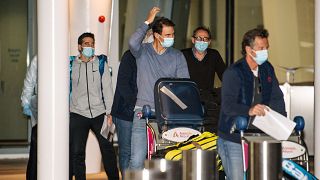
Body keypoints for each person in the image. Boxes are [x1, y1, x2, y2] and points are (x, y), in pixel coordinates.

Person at [217, 28, 286, 180]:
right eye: (261, 48)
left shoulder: (267, 69)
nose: (265, 51)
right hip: (233, 137)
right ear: (249, 50)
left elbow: (276, 98)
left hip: (261, 135)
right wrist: (249, 110)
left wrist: (281, 123)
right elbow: (228, 105)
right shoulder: (234, 72)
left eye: (266, 48)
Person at [128, 7, 190, 170]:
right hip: (143, 111)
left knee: (165, 160)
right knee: (137, 159)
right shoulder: (142, 52)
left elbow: (184, 85)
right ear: (156, 35)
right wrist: (147, 21)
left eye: (173, 34)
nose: (172, 38)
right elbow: (132, 42)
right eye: (168, 35)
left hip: (168, 114)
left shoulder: (177, 56)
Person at [69, 32, 119, 180]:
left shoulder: (101, 63)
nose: (90, 46)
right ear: (79, 47)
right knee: (77, 153)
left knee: (108, 150)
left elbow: (108, 89)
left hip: (100, 114)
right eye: (86, 44)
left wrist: (110, 113)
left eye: (92, 44)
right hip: (78, 114)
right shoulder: (71, 65)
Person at [181, 26, 226, 133]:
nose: (202, 41)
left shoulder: (214, 55)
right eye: (199, 38)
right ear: (193, 40)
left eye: (205, 39)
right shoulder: (183, 54)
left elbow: (225, 76)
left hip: (208, 101)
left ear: (209, 41)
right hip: (187, 100)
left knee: (209, 132)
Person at [110, 50, 137, 177]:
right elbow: (123, 84)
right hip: (125, 111)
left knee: (138, 151)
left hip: (143, 111)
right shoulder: (130, 55)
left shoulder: (152, 56)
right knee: (126, 151)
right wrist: (136, 105)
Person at [21, 55, 38, 180]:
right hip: (41, 106)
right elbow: (29, 82)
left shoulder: (65, 57)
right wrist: (26, 102)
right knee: (37, 146)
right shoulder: (38, 59)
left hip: (61, 108)